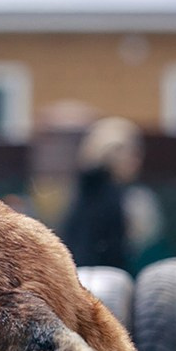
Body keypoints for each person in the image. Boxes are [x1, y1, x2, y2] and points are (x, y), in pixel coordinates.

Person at [59, 116, 140, 272]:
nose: (137, 162)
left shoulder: (92, 190)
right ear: (115, 154)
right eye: (133, 155)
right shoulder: (103, 194)